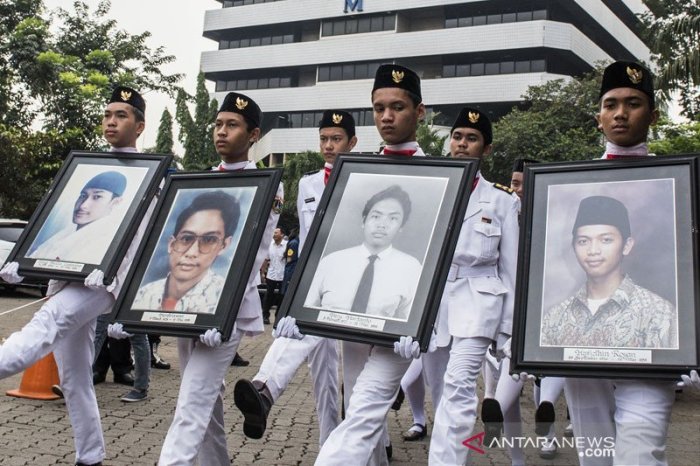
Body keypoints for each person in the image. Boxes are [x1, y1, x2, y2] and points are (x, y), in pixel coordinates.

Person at [0, 85, 158, 465]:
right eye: (107, 115)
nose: (111, 122)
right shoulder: (84, 171)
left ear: (139, 127)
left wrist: (114, 283)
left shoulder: (151, 177)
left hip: (100, 286)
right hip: (68, 281)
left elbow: (140, 243)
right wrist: (23, 265)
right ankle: (91, 456)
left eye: (121, 116)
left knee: (44, 325)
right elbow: (56, 236)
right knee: (73, 378)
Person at [554, 60, 698, 466]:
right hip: (583, 353)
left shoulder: (680, 185)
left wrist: (693, 341)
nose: (620, 113)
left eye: (633, 103)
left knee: (640, 453)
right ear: (598, 115)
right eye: (611, 104)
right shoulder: (571, 183)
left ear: (652, 114)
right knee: (594, 456)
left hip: (654, 352)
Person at [309, 63, 428, 465]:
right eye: (379, 108)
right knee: (360, 400)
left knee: (363, 408)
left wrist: (423, 317)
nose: (387, 117)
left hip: (404, 313)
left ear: (420, 112)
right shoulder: (359, 172)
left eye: (397, 107)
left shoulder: (443, 173)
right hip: (356, 309)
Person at [157, 91, 282, 466]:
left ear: (253, 134)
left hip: (226, 309)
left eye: (232, 125)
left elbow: (252, 255)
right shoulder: (199, 181)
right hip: (188, 303)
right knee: (204, 397)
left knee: (193, 400)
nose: (221, 132)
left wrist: (220, 310)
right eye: (218, 124)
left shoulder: (267, 185)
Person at [233, 110, 356, 446]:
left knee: (360, 374)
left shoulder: (363, 179)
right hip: (317, 279)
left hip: (356, 277)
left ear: (352, 142)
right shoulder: (308, 184)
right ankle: (329, 441)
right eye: (324, 139)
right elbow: (305, 236)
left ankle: (266, 386)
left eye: (336, 139)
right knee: (323, 371)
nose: (329, 146)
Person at [428, 107, 521, 465]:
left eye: (471, 139)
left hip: (480, 299)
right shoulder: (435, 190)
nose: (462, 144)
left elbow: (510, 267)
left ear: (486, 149)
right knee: (441, 393)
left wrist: (508, 330)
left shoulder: (501, 200)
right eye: (457, 137)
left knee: (459, 385)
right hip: (436, 304)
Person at [541, 195, 676, 348]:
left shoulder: (659, 313)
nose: (593, 251)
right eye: (583, 241)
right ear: (574, 247)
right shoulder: (554, 318)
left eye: (606, 240)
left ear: (627, 245)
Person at [305, 184, 422, 319]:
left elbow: (410, 322)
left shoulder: (412, 268)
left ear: (401, 227)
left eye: (393, 218)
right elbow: (306, 310)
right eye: (376, 216)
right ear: (363, 221)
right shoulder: (331, 261)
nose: (382, 225)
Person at [132, 191, 239, 314]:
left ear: (224, 245)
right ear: (171, 244)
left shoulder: (225, 298)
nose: (192, 253)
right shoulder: (143, 295)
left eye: (209, 240)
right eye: (186, 238)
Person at [28, 171, 127, 264]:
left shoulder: (107, 241)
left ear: (115, 202)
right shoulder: (65, 234)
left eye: (97, 197)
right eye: (83, 196)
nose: (83, 205)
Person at [262, 227, 287, 324]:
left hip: (282, 275)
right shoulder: (270, 245)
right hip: (271, 275)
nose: (274, 234)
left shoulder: (286, 246)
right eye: (274, 232)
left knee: (281, 296)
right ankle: (265, 315)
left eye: (276, 233)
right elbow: (266, 259)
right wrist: (263, 273)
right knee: (268, 296)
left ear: (282, 235)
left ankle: (278, 317)